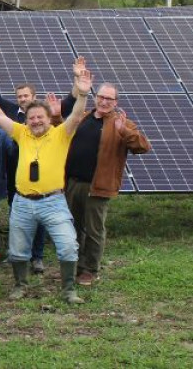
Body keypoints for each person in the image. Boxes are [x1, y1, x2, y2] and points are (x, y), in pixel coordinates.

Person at [0, 67, 91, 304]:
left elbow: (77, 116)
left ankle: (69, 290)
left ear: (49, 118)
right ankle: (20, 285)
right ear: (26, 120)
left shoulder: (61, 134)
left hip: (53, 201)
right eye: (31, 118)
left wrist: (82, 94)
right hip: (23, 202)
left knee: (68, 246)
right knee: (18, 250)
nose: (36, 121)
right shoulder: (22, 133)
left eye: (40, 117)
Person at [59, 82, 150, 286]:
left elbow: (143, 146)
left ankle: (90, 269)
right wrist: (57, 116)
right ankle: (74, 266)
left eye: (109, 99)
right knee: (73, 227)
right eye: (101, 97)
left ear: (116, 102)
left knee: (94, 230)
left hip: (98, 186)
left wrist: (124, 132)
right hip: (72, 183)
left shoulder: (121, 123)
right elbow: (61, 135)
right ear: (95, 97)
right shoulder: (82, 117)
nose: (104, 101)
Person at [0, 49, 50, 274]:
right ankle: (17, 252)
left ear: (33, 97)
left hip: (40, 175)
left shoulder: (42, 115)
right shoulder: (10, 111)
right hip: (14, 174)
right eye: (19, 96)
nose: (22, 99)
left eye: (26, 96)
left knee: (39, 216)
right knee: (16, 215)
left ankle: (37, 257)